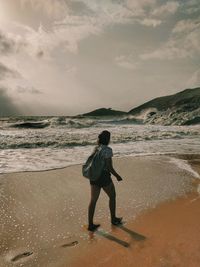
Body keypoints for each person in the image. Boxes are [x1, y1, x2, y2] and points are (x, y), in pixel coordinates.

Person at [88, 130, 123, 231]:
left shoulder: (96, 148)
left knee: (93, 200)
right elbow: (109, 167)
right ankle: (113, 219)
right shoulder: (108, 150)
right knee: (112, 196)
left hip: (93, 176)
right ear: (108, 139)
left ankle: (90, 225)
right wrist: (117, 176)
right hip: (103, 177)